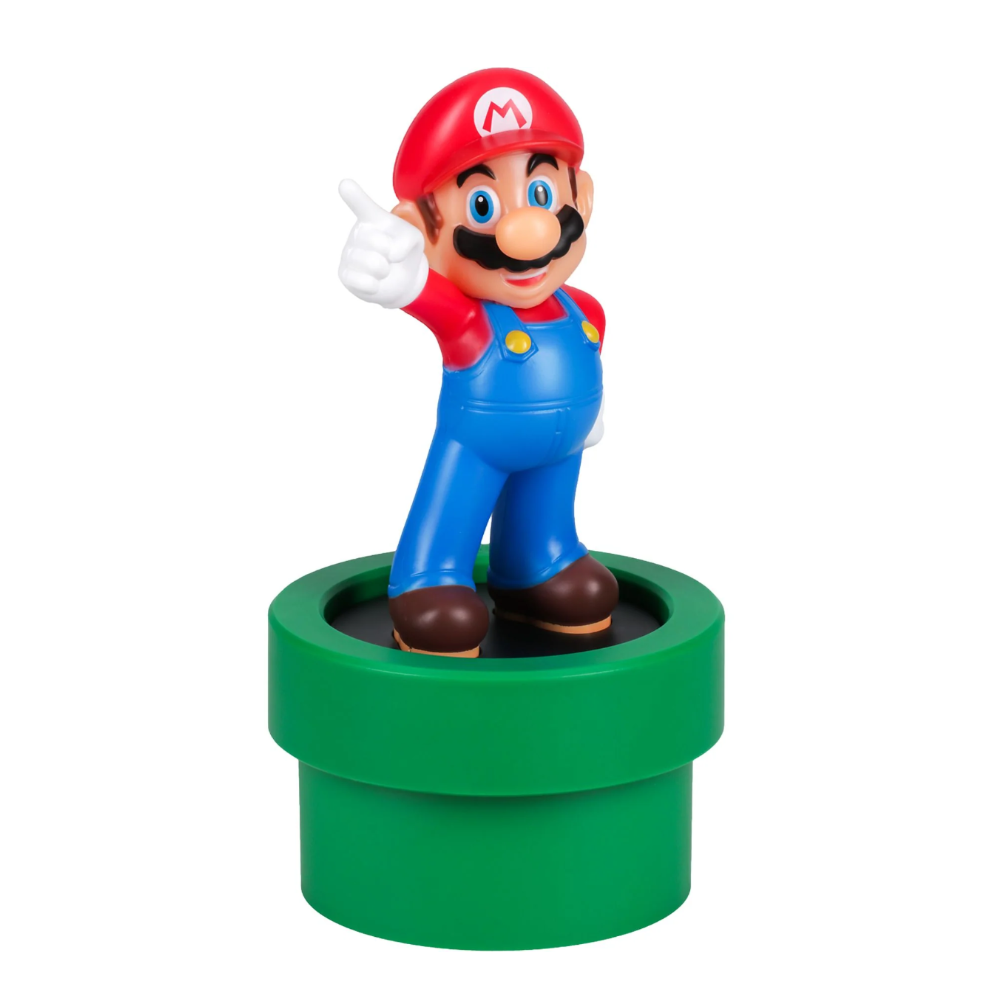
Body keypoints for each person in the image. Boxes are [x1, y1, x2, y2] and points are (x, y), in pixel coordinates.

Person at [338, 68, 617, 657]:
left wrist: (593, 409)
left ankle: (540, 566)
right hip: (478, 447)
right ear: (423, 229)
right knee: (455, 507)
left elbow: (592, 347)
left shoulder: (584, 310)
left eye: (541, 194)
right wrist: (394, 274)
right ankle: (429, 579)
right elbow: (417, 291)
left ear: (582, 198)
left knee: (548, 512)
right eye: (484, 205)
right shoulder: (470, 322)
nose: (527, 232)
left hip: (559, 451)